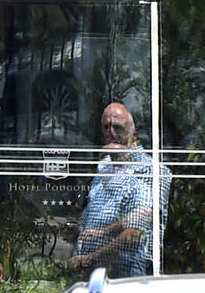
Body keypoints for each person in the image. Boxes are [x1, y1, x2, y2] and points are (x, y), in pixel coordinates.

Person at [68, 102, 173, 278]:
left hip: (127, 279)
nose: (111, 133)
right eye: (106, 127)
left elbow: (136, 230)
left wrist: (90, 257)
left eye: (117, 127)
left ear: (134, 135)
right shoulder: (104, 166)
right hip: (92, 275)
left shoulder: (149, 170)